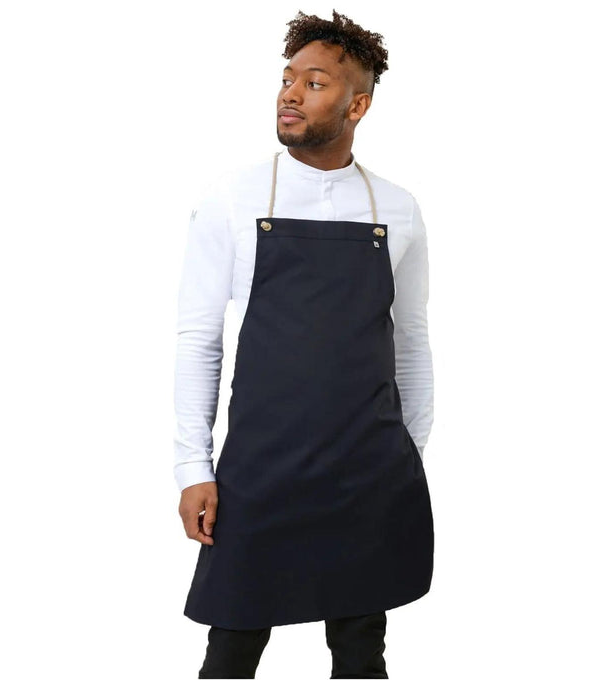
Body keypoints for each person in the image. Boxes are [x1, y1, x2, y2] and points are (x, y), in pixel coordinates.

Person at [174, 10, 435, 679]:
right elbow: (200, 339)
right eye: (287, 79)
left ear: (357, 105)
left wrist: (407, 452)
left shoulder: (397, 209)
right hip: (260, 472)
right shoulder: (233, 199)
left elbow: (411, 339)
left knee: (360, 654)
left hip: (366, 476)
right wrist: (192, 467)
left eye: (314, 83)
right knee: (230, 652)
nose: (290, 94)